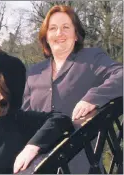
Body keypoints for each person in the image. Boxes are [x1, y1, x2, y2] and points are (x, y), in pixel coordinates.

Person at [22, 5, 123, 173]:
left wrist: (93, 97)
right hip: (41, 166)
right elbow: (24, 121)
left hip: (84, 164)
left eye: (66, 27)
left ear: (76, 34)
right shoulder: (34, 73)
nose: (59, 33)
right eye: (52, 28)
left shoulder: (91, 59)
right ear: (46, 37)